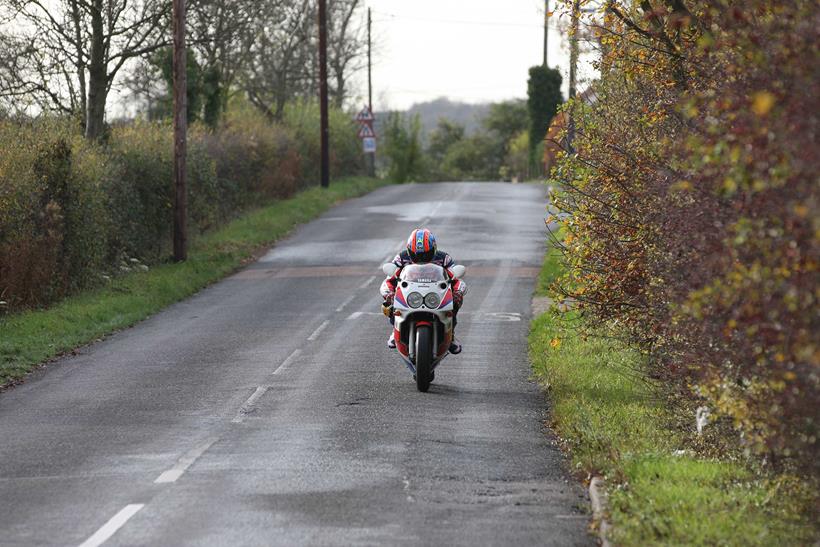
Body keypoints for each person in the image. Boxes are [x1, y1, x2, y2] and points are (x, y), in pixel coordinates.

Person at [380, 228, 466, 353]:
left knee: (455, 303)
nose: (421, 259)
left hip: (436, 294)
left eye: (426, 254)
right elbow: (389, 279)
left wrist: (458, 292)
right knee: (390, 305)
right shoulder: (401, 258)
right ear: (410, 250)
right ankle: (395, 330)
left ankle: (450, 334)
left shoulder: (444, 258)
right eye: (416, 255)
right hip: (409, 294)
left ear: (434, 249)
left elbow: (457, 278)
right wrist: (389, 293)